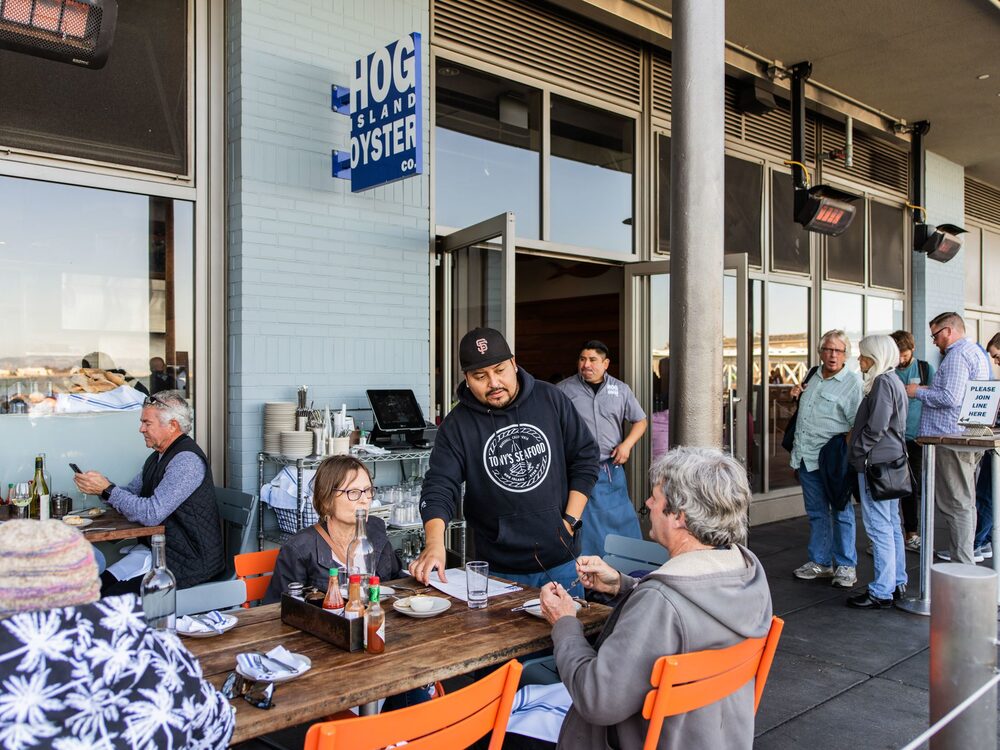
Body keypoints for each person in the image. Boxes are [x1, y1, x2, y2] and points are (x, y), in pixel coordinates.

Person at [503, 447, 772, 749]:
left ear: (680, 517)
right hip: (712, 733)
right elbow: (690, 614)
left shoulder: (660, 603)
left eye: (655, 498)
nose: (647, 504)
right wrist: (623, 584)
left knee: (502, 720)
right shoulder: (747, 571)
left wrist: (564, 622)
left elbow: (596, 699)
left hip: (645, 738)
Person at [0, 519, 234, 747]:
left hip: (192, 562)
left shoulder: (12, 672)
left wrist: (108, 490)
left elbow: (150, 514)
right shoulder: (155, 648)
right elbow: (219, 724)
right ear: (89, 580)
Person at [411, 327, 599, 594]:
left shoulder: (550, 399)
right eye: (480, 376)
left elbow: (585, 457)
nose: (493, 383)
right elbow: (440, 485)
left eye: (500, 370)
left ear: (513, 363)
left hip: (561, 560)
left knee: (570, 634)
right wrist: (434, 543)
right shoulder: (457, 425)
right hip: (497, 569)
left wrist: (569, 520)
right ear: (466, 378)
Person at [74, 390, 225, 594]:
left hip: (188, 561)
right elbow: (131, 494)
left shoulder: (186, 461)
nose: (141, 429)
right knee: (96, 587)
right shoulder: (157, 457)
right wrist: (101, 488)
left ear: (172, 425)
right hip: (158, 552)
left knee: (107, 597)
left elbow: (151, 514)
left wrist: (107, 490)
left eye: (147, 423)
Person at [906, 313, 992, 565]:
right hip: (963, 435)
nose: (933, 341)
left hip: (950, 438)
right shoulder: (975, 352)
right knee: (962, 501)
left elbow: (950, 397)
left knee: (956, 503)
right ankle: (963, 560)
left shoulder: (956, 355)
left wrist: (917, 391)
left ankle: (962, 564)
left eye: (935, 335)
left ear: (948, 331)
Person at [264, 456, 401, 603]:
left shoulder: (376, 532)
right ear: (326, 500)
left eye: (368, 490)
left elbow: (398, 582)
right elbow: (278, 609)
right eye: (353, 492)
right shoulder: (300, 549)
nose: (365, 499)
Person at [557, 341, 647, 556]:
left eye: (592, 360)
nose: (586, 364)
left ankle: (629, 571)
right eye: (582, 359)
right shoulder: (562, 390)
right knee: (583, 522)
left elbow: (640, 421)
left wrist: (626, 445)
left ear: (605, 364)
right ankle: (585, 571)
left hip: (609, 468)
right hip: (576, 469)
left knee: (621, 518)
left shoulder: (621, 389)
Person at [790, 330, 863, 588]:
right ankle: (820, 562)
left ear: (846, 354)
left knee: (841, 512)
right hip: (806, 457)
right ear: (821, 352)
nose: (833, 355)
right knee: (817, 513)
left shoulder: (852, 383)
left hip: (833, 461)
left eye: (838, 350)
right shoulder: (813, 375)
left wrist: (842, 456)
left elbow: (857, 424)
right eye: (828, 350)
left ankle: (846, 565)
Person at [847, 335, 909, 609]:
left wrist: (857, 450)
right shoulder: (893, 380)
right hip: (889, 463)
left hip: (876, 466)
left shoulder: (882, 382)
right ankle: (896, 582)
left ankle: (881, 591)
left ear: (876, 357)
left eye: (863, 356)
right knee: (892, 524)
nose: (860, 361)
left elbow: (877, 427)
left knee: (879, 526)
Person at [890, 329, 934, 552]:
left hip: (916, 439)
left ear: (912, 350)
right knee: (888, 487)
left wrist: (919, 390)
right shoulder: (889, 370)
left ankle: (912, 533)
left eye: (904, 353)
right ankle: (890, 535)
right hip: (891, 439)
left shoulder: (925, 369)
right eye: (897, 353)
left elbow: (937, 398)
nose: (901, 358)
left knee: (912, 487)